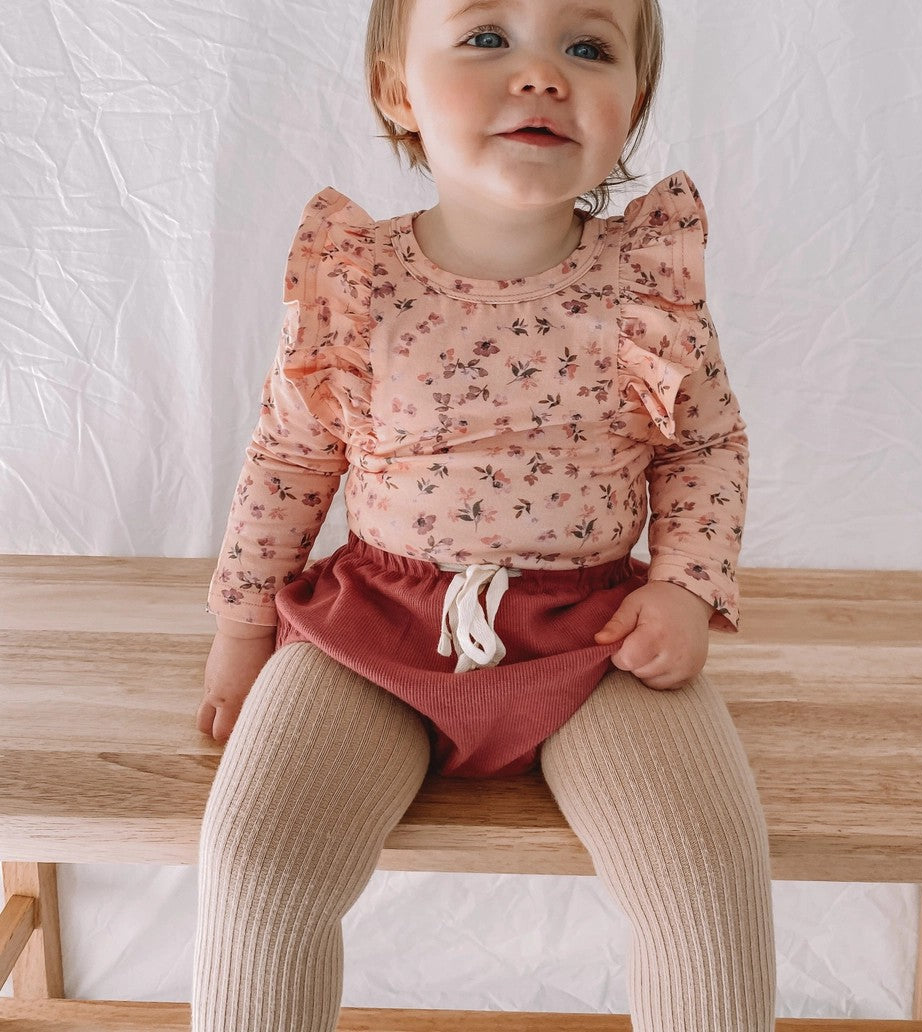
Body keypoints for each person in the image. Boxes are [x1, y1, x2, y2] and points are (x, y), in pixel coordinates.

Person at [191, 0, 777, 1028]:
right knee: (256, 864)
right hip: (372, 626)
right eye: (486, 38)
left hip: (594, 636)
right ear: (394, 89)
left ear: (631, 103)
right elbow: (291, 456)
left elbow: (702, 445)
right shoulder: (358, 281)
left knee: (707, 880)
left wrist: (683, 587)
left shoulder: (644, 283)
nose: (542, 73)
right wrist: (243, 633)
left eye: (588, 48)